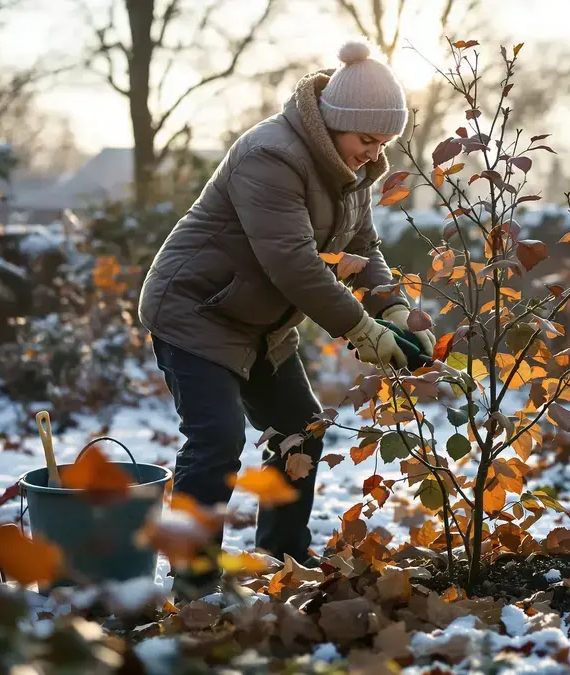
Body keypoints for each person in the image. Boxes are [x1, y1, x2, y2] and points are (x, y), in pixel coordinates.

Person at [137, 40, 435, 599]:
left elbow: (363, 247)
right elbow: (292, 263)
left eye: (384, 143)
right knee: (216, 441)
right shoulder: (270, 155)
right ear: (334, 121)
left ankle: (283, 557)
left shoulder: (352, 169)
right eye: (367, 140)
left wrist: (391, 308)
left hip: (262, 323)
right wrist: (361, 330)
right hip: (196, 311)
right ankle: (195, 583)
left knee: (302, 429)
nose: (374, 155)